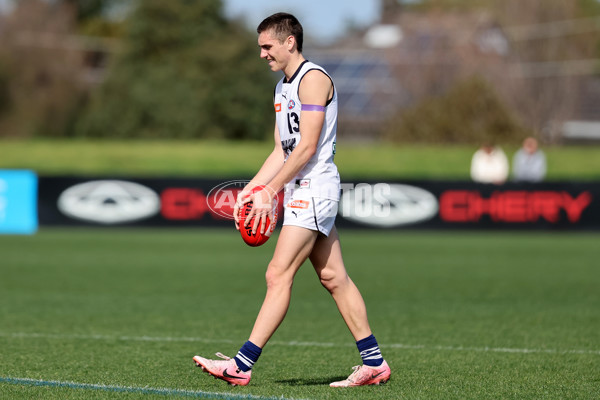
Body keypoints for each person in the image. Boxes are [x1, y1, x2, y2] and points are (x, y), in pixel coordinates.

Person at [193, 12, 391, 388]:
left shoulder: (313, 80)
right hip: (303, 189)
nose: (263, 54)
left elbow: (307, 148)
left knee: (277, 274)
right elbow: (280, 150)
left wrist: (271, 192)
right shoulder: (281, 87)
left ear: (289, 42)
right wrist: (252, 189)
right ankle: (374, 363)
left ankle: (241, 364)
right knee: (334, 277)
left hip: (315, 187)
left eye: (267, 46)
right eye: (260, 48)